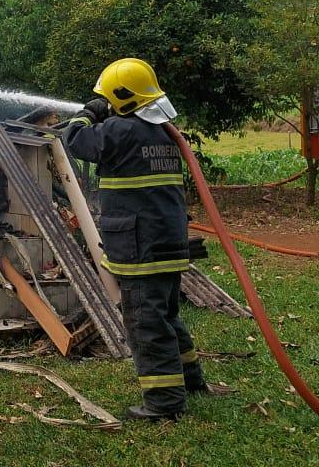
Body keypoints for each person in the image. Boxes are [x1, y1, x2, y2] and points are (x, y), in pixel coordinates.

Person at [62, 57, 206, 421]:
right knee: (167, 316)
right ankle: (190, 381)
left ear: (123, 97)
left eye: (108, 98)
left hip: (140, 247)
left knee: (146, 323)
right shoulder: (163, 132)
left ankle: (163, 401)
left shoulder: (120, 130)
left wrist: (87, 112)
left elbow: (75, 141)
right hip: (167, 244)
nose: (106, 103)